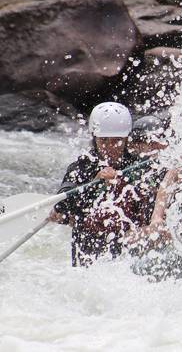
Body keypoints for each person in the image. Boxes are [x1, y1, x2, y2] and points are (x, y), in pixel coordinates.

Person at [49, 102, 152, 267]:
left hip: (131, 248)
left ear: (126, 139)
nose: (110, 147)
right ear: (94, 138)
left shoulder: (140, 166)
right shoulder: (81, 167)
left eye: (117, 141)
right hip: (89, 248)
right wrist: (96, 182)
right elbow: (63, 205)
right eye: (104, 140)